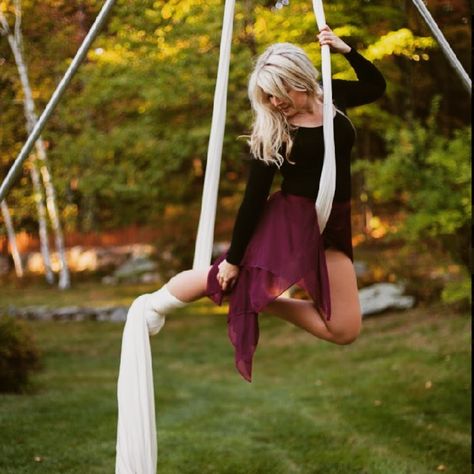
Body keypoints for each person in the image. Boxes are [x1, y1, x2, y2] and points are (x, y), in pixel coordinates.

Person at [139, 25, 386, 382]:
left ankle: (259, 300)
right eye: (267, 96)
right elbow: (252, 201)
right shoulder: (275, 133)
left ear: (299, 79)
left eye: (279, 92)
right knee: (222, 275)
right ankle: (154, 303)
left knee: (345, 329)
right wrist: (235, 259)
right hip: (293, 220)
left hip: (334, 220)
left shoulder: (333, 96)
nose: (274, 103)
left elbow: (376, 86)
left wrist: (347, 51)